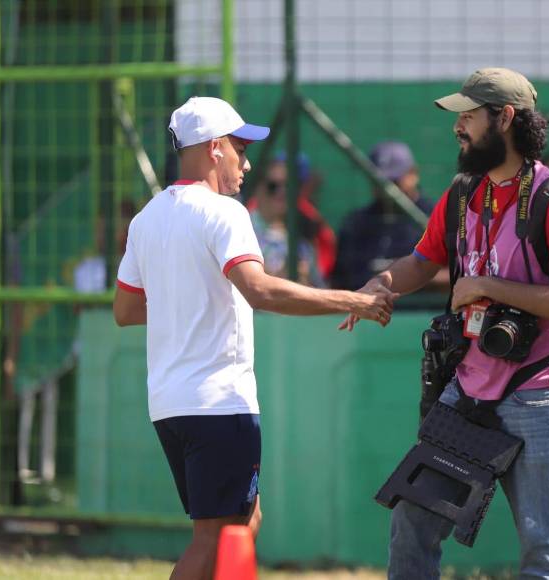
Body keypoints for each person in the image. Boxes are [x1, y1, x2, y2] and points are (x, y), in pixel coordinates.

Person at [112, 96, 396, 580]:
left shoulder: (147, 218)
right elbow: (260, 291)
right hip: (219, 404)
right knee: (216, 536)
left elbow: (126, 310)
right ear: (216, 147)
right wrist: (355, 300)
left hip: (170, 405)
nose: (247, 164)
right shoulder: (226, 213)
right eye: (241, 150)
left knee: (244, 521)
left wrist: (187, 307)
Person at [339, 67, 549, 579]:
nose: (458, 127)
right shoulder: (461, 194)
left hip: (539, 390)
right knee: (413, 517)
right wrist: (378, 285)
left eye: (469, 116)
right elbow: (421, 261)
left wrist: (487, 287)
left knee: (543, 544)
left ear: (504, 118)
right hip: (470, 386)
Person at [332, 141, 446, 291]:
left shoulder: (436, 215)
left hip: (421, 309)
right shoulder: (356, 223)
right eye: (379, 182)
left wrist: (407, 274)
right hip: (365, 308)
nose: (386, 189)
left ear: (413, 173)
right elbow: (339, 279)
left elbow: (459, 274)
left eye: (394, 181)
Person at [250, 157, 325, 287]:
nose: (282, 192)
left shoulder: (304, 237)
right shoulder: (240, 227)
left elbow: (321, 290)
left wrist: (305, 283)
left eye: (289, 186)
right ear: (258, 187)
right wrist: (277, 281)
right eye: (273, 186)